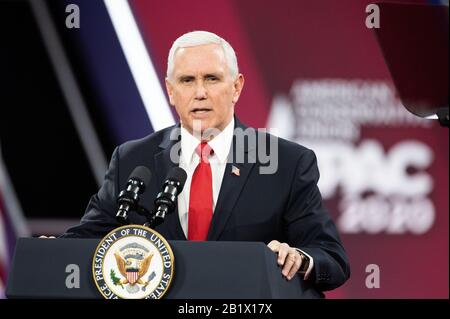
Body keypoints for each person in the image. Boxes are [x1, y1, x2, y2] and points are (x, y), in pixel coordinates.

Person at [61, 31, 350, 292]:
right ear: (171, 92)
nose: (200, 92)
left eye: (212, 78)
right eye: (187, 80)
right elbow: (89, 236)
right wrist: (53, 253)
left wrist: (300, 258)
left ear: (236, 87)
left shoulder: (287, 162)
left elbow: (332, 259)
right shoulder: (133, 159)